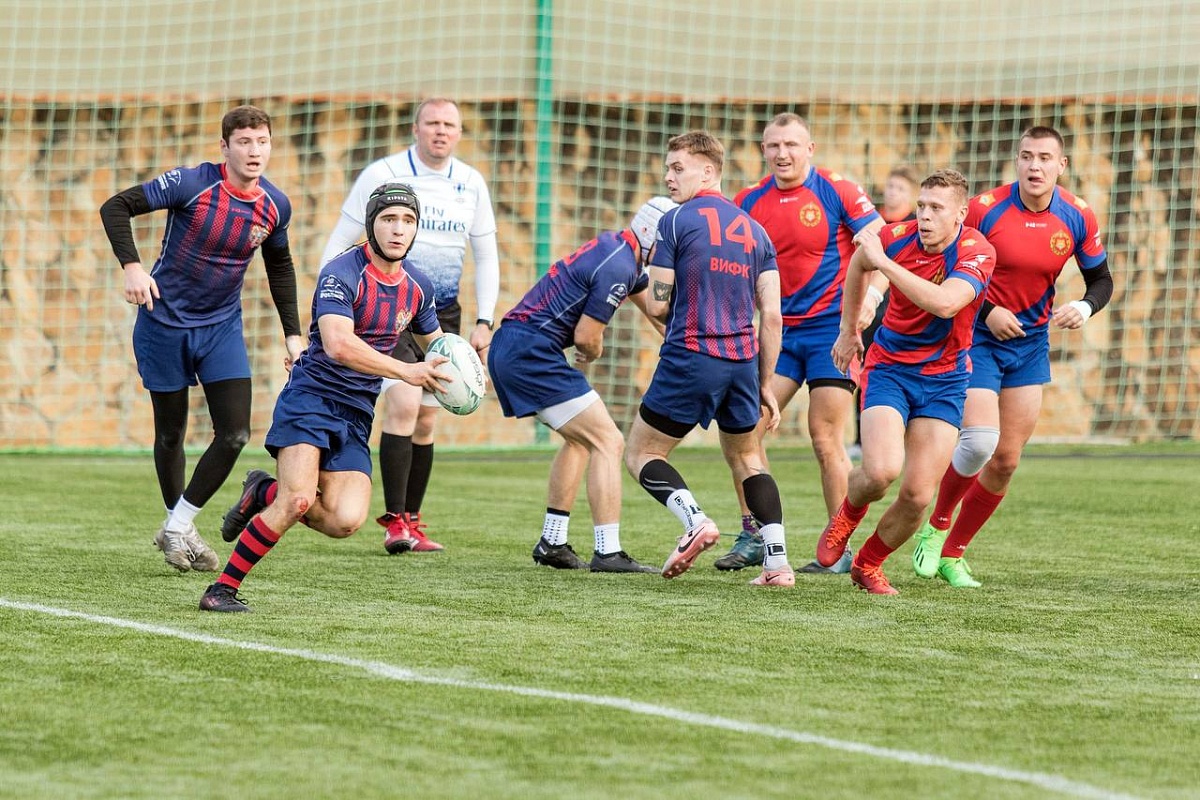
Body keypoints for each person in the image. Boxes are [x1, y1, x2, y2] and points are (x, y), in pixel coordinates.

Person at [202, 183, 450, 612]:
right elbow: (338, 345)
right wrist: (406, 371)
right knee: (297, 499)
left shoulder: (418, 286)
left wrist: (464, 374)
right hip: (311, 399)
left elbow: (439, 347)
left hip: (356, 413)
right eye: (388, 219)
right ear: (371, 224)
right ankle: (221, 589)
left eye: (408, 221)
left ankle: (262, 491)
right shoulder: (342, 272)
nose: (398, 229)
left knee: (344, 520)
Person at [99, 104, 303, 574]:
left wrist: (293, 335)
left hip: (221, 329)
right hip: (163, 324)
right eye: (244, 142)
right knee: (171, 433)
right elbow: (116, 206)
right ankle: (179, 528)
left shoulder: (276, 205)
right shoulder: (191, 184)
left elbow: (280, 267)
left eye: (262, 142)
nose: (254, 151)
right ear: (224, 147)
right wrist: (132, 267)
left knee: (235, 434)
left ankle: (178, 525)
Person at [910, 126, 1113, 587]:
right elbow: (948, 267)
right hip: (978, 337)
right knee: (980, 442)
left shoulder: (1078, 215)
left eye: (1044, 158)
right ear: (1016, 161)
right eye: (1026, 156)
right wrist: (989, 309)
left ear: (1061, 165)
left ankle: (953, 555)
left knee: (1005, 462)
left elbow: (1102, 280)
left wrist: (1084, 307)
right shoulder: (986, 209)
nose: (1034, 166)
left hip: (1030, 344)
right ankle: (935, 527)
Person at [321, 97, 500, 555]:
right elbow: (340, 241)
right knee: (403, 403)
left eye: (450, 124)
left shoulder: (471, 183)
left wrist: (484, 319)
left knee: (426, 419)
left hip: (442, 312)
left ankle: (413, 521)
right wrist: (330, 306)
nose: (441, 131)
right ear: (416, 128)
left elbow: (485, 255)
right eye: (432, 123)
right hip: (388, 308)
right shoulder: (383, 173)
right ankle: (394, 521)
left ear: (459, 133)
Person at [716, 113, 885, 575]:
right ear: (763, 150)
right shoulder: (748, 201)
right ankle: (756, 534)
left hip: (832, 332)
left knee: (825, 436)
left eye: (792, 144)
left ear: (809, 148)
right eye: (774, 145)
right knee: (744, 430)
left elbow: (881, 248)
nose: (782, 153)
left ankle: (839, 548)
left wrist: (869, 301)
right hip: (780, 335)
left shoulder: (838, 190)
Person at [624, 130, 794, 587]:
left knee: (642, 452)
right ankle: (777, 564)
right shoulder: (757, 232)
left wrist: (647, 276)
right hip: (742, 363)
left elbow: (658, 303)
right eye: (668, 168)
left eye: (678, 168)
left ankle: (695, 520)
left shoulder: (675, 221)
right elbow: (772, 317)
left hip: (691, 355)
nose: (668, 177)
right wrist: (764, 382)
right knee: (748, 458)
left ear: (708, 171)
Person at [813, 169, 996, 594]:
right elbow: (859, 263)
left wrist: (885, 265)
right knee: (880, 472)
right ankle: (847, 514)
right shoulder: (896, 237)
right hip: (890, 369)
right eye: (921, 206)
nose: (925, 216)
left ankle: (868, 563)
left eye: (937, 208)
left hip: (945, 379)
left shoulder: (976, 250)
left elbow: (946, 304)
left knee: (917, 496)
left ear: (960, 214)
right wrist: (847, 330)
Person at [488, 198, 677, 574]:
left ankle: (552, 542)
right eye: (669, 245)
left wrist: (685, 339)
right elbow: (587, 337)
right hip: (529, 352)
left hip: (519, 346)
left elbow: (658, 314)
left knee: (580, 441)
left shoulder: (620, 252)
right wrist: (592, 352)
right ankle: (608, 552)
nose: (672, 255)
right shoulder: (619, 266)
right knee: (609, 441)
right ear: (649, 237)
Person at [851, 165, 920, 458]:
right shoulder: (872, 224)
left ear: (913, 196)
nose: (892, 193)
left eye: (900, 189)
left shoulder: (917, 226)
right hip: (869, 311)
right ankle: (861, 439)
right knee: (866, 370)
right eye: (890, 186)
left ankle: (909, 435)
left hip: (902, 313)